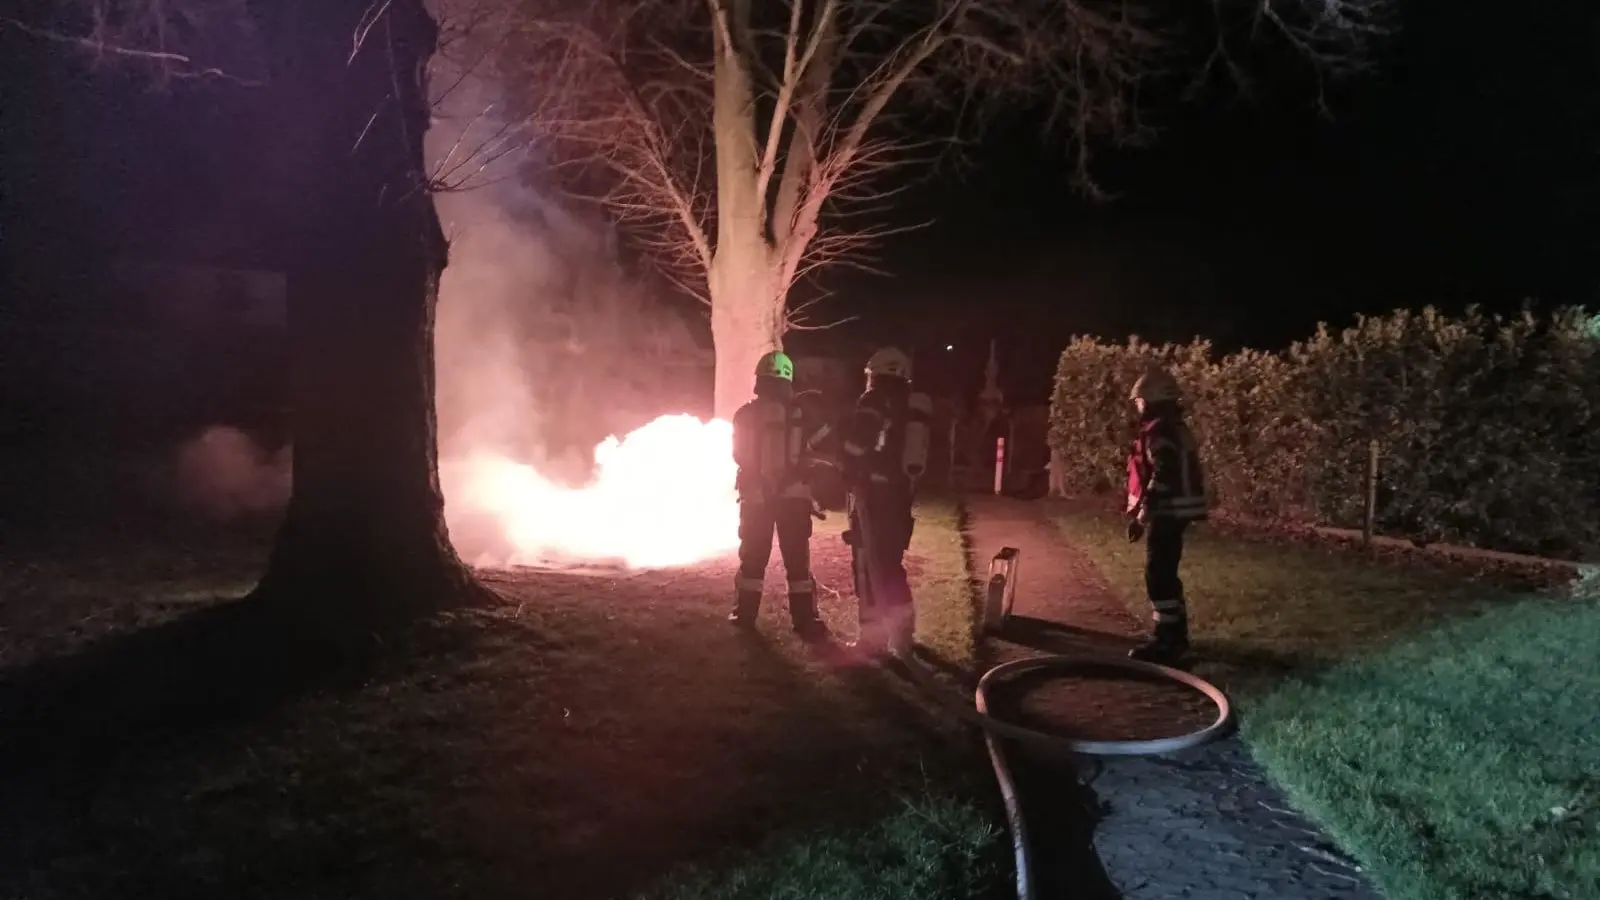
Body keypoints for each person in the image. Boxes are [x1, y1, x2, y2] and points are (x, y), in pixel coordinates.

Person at [729, 350, 829, 641]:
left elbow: (738, 455)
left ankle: (744, 615)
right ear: (788, 380)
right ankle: (804, 619)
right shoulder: (801, 414)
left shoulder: (744, 414)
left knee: (752, 560)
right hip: (794, 498)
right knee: (797, 562)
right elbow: (820, 442)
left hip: (756, 499)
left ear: (758, 380)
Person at [839, 346, 933, 658]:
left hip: (872, 496)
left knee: (867, 566)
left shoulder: (874, 400)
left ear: (875, 374)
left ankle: (873, 638)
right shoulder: (910, 406)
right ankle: (903, 635)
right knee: (891, 565)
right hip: (898, 496)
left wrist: (845, 464)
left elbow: (857, 444)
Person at [1123, 365, 1210, 664]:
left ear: (1149, 400)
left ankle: (1167, 641)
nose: (1137, 406)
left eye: (1139, 401)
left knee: (1158, 574)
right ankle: (1176, 636)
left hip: (1168, 511)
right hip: (1177, 510)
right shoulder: (1173, 426)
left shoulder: (1159, 430)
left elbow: (1163, 473)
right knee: (1166, 572)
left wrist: (1143, 515)